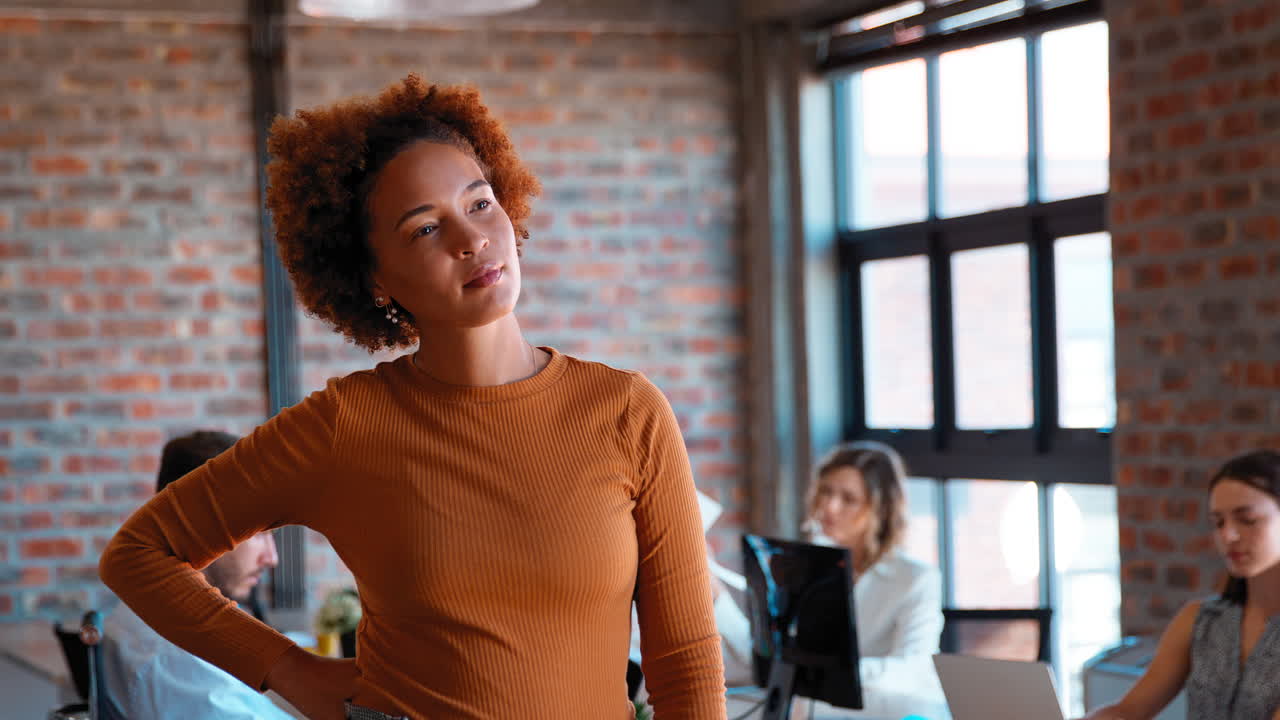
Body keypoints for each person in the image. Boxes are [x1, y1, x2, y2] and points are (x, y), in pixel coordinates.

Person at [99, 74, 725, 720]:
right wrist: (288, 669)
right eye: (425, 229)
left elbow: (684, 660)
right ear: (375, 280)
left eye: (480, 204)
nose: (470, 239)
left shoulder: (628, 412)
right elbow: (140, 555)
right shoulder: (348, 425)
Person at [102, 430, 292, 720]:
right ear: (196, 528)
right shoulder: (174, 657)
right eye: (257, 534)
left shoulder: (161, 618)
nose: (272, 558)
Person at [1080, 450, 1280, 720]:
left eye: (1247, 520)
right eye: (1218, 522)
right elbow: (1129, 710)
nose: (1228, 535)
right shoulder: (1200, 619)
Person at [799, 441, 946, 717]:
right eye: (826, 492)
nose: (830, 507)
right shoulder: (814, 568)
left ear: (880, 509)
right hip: (834, 711)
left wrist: (831, 670)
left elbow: (913, 668)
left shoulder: (916, 579)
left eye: (848, 499)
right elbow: (774, 655)